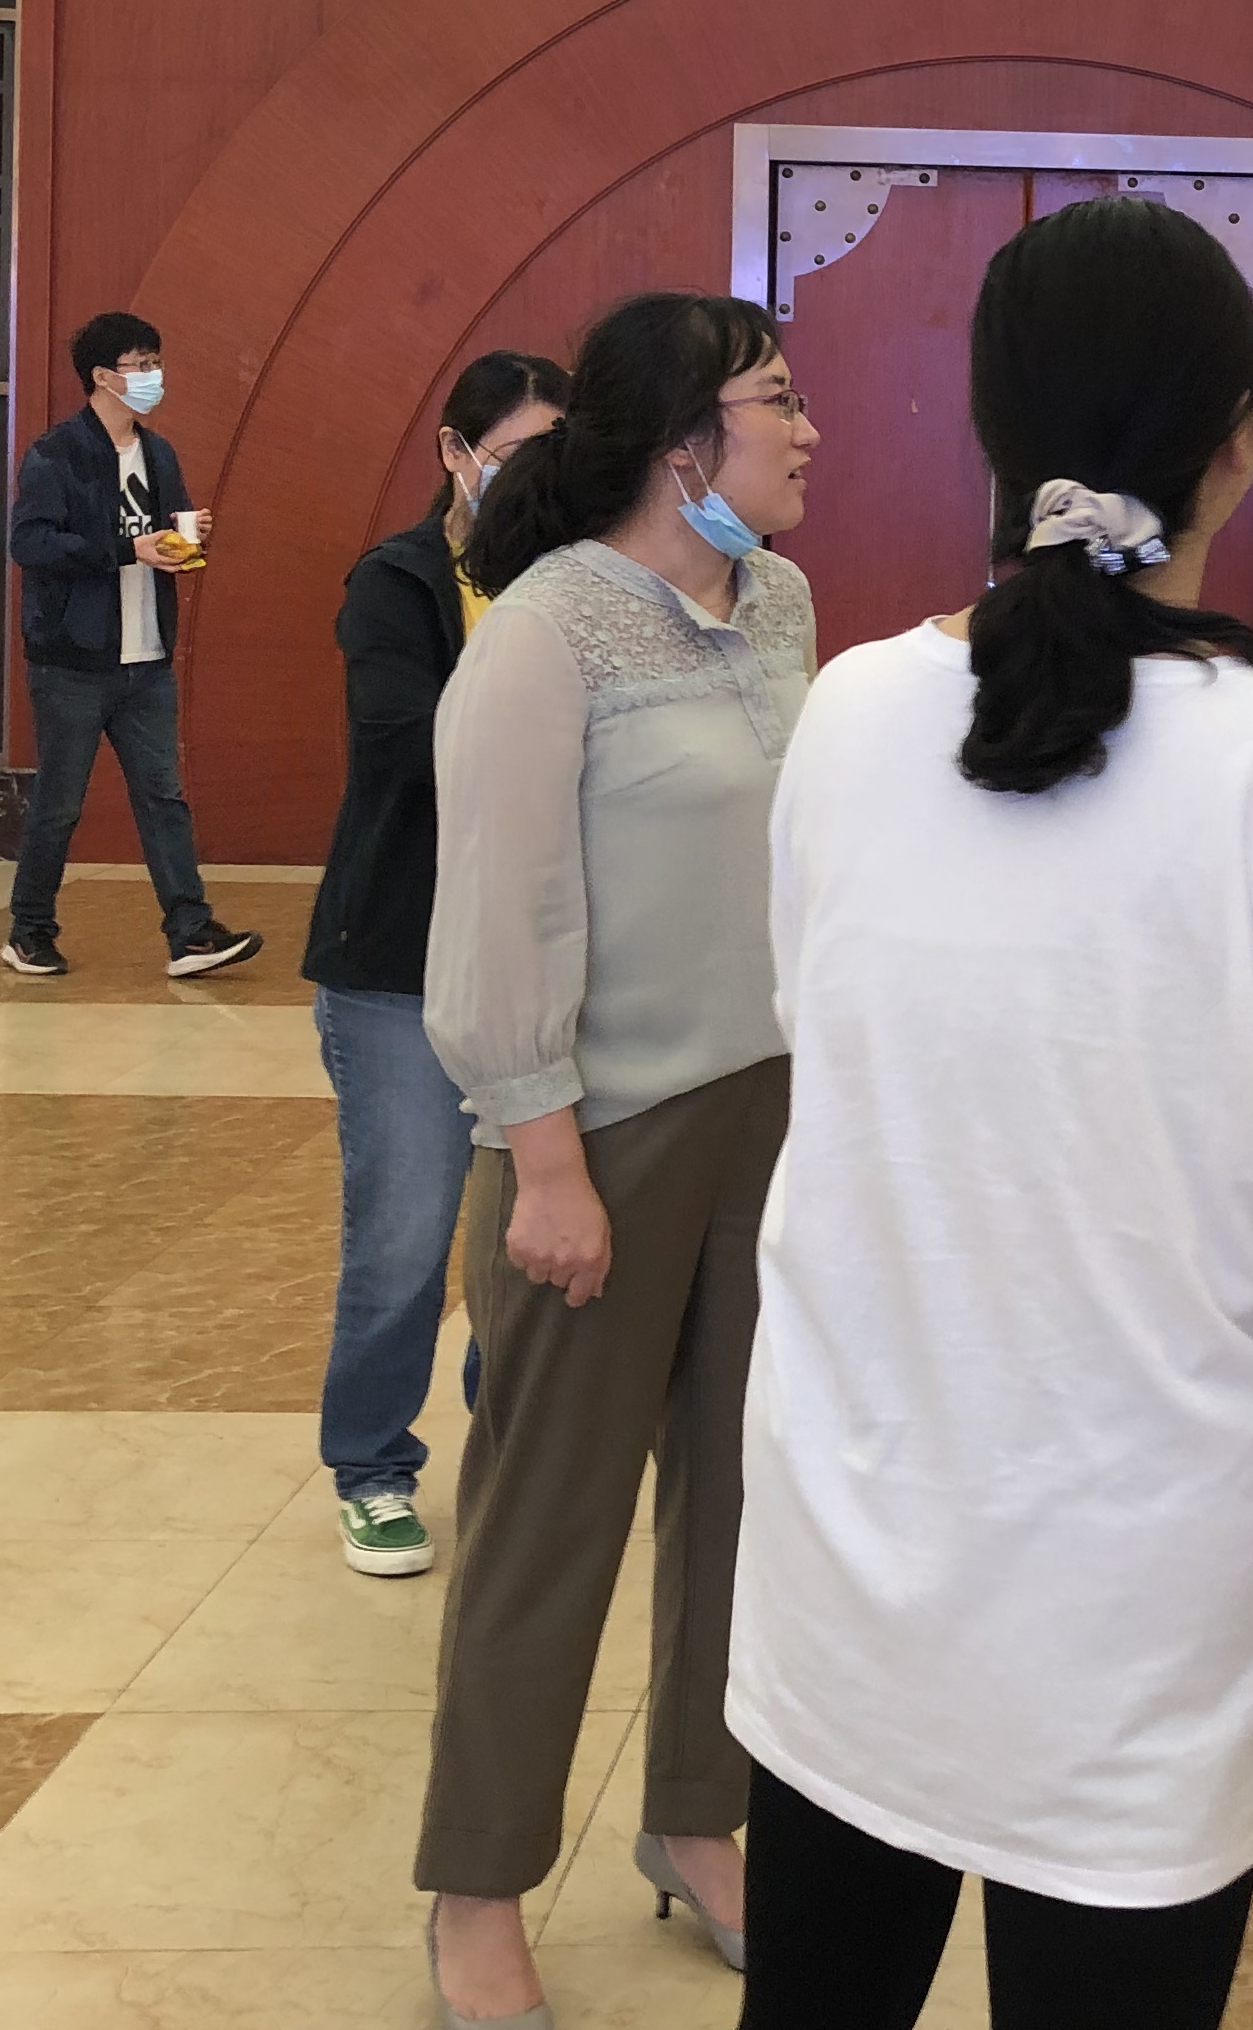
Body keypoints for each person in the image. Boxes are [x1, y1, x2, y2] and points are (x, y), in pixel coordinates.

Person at [730, 191, 1253, 2030]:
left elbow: (829, 1055)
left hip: (851, 1560)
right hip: (1140, 1605)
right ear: (1239, 444)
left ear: (989, 430)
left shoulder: (851, 715)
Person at [416, 294, 818, 2026]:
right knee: (547, 1525)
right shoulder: (546, 630)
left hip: (770, 1117)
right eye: (777, 400)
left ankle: (697, 1818)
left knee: (744, 1506)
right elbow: (500, 912)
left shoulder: (781, 602)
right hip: (599, 1131)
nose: (808, 429)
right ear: (682, 444)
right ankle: (476, 1884)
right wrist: (547, 1163)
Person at [300, 348, 567, 1578]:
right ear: (456, 453)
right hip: (398, 958)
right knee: (404, 1233)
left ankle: (503, 1437)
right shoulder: (399, 579)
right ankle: (370, 1465)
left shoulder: (575, 584)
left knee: (527, 1228)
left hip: (536, 959)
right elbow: (403, 741)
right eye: (515, 453)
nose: (536, 478)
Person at [2, 310, 259, 982]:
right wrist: (127, 549)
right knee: (60, 804)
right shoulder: (56, 454)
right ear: (102, 376)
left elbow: (160, 539)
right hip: (73, 660)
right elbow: (30, 542)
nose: (151, 377)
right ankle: (29, 931)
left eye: (155, 363)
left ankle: (190, 932)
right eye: (139, 365)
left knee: (164, 797)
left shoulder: (159, 454)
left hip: (147, 658)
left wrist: (185, 539)